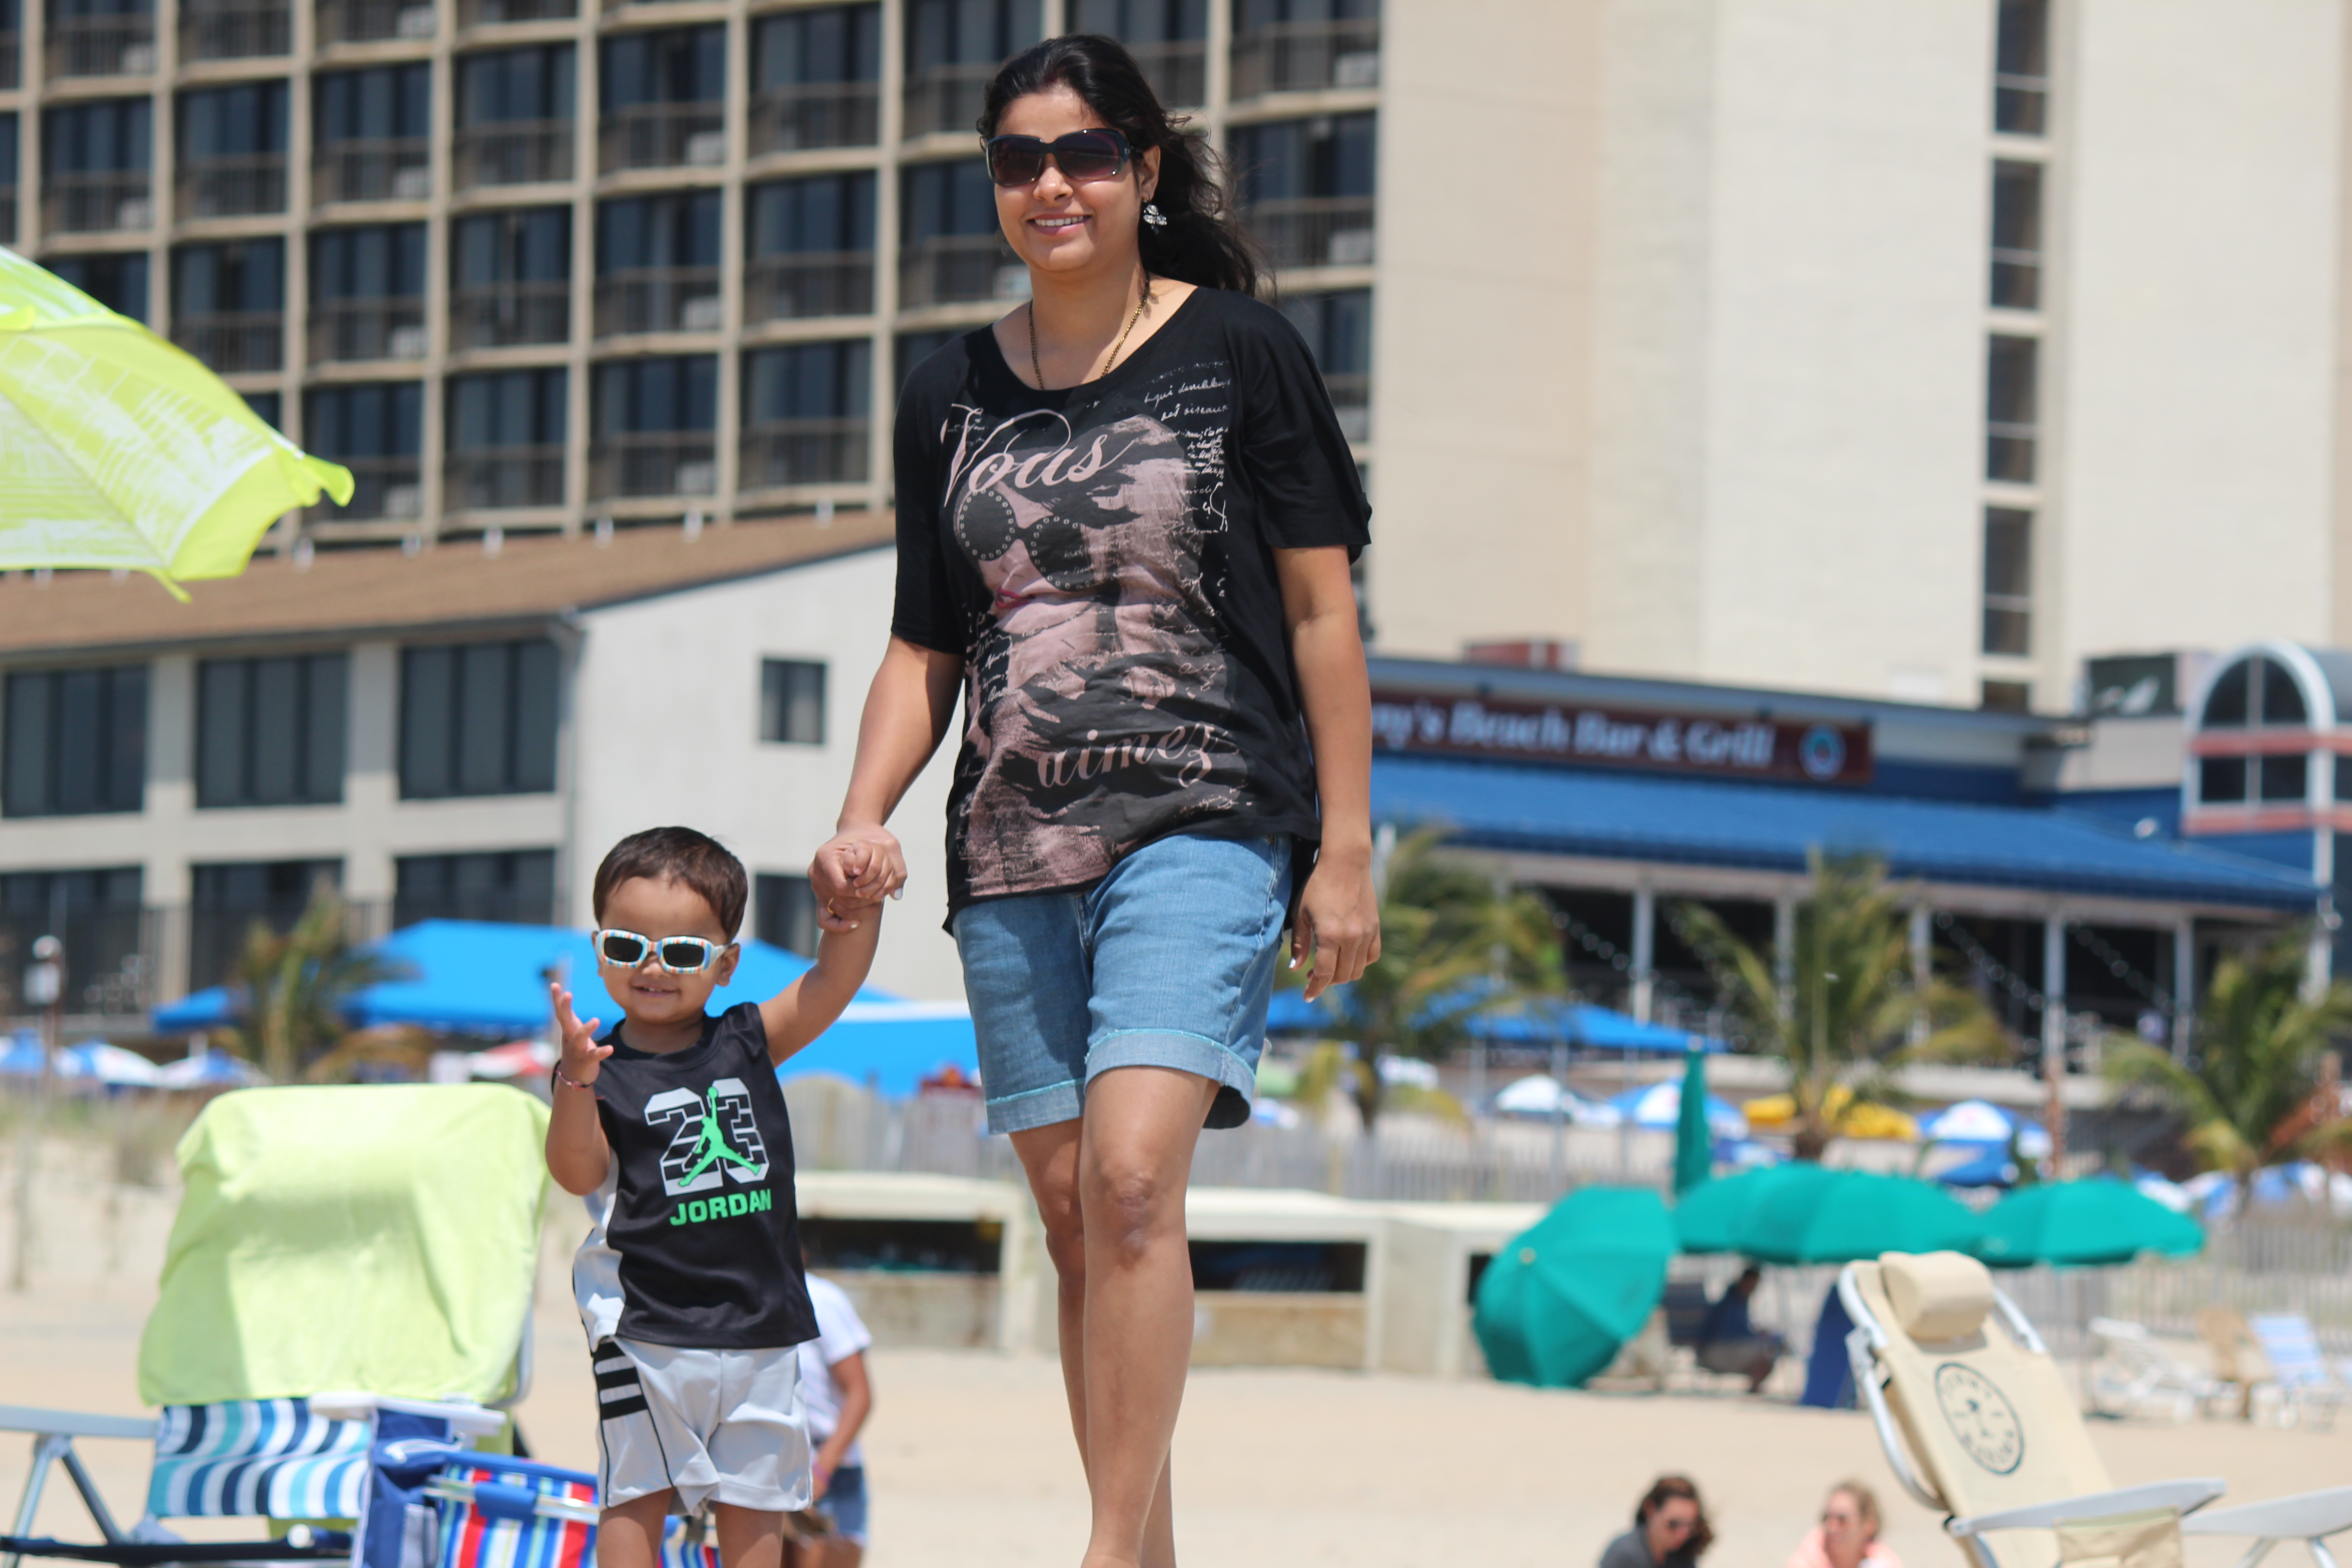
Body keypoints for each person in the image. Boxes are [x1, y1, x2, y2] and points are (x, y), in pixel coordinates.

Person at [808, 32, 1377, 1568]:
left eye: (1083, 154)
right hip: (1009, 845)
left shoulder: (1239, 351)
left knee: (1133, 1178)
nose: (1050, 184)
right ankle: (1147, 1547)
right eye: (1019, 159)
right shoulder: (948, 391)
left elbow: (1322, 613)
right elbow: (924, 644)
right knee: (1077, 1222)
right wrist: (861, 810)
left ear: (1142, 168)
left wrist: (1343, 849)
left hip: (1207, 813)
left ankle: (1108, 1550)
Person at [544, 827, 882, 1568]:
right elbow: (576, 1172)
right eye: (627, 946)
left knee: (758, 1500)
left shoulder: (748, 1039)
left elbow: (832, 984)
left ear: (725, 964)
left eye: (682, 952)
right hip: (645, 1327)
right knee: (636, 1491)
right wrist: (574, 1078)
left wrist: (859, 905)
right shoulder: (597, 1067)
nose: (652, 967)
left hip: (762, 1325)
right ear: (599, 950)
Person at [788, 1268, 876, 1568]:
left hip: (828, 1469)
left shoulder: (820, 1299)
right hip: (768, 1466)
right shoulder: (746, 1295)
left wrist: (822, 1471)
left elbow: (860, 1395)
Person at [1698, 1264, 1787, 1393]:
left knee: (1769, 1349)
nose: (1754, 1289)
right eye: (1753, 1284)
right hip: (1715, 1352)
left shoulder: (1739, 1302)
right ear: (1744, 1282)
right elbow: (1729, 1334)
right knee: (1765, 1351)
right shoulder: (1730, 1304)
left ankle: (1755, 1387)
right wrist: (1758, 1336)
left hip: (1725, 1348)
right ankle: (1754, 1388)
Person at [1601, 1475, 1715, 1568]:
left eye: (1690, 1525)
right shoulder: (1624, 1554)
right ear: (1650, 1510)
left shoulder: (1680, 1554)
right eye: (1673, 1524)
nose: (1682, 1534)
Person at [1787, 1482, 1902, 1568]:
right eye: (1826, 1518)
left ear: (1868, 1526)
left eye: (1842, 1520)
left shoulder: (1881, 1561)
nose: (1832, 1527)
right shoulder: (1806, 1561)